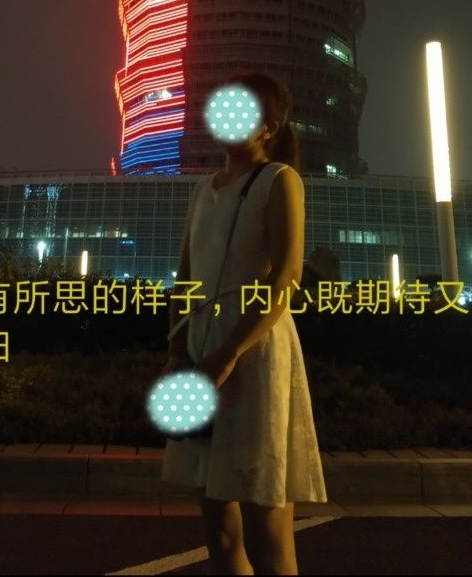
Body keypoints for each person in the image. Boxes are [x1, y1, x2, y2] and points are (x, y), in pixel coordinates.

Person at [161, 71, 327, 575]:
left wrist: (229, 353)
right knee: (219, 531)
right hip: (201, 349)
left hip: (255, 352)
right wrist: (177, 353)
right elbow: (185, 278)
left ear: (269, 127)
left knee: (267, 533)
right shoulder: (203, 191)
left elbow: (287, 275)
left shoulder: (280, 180)